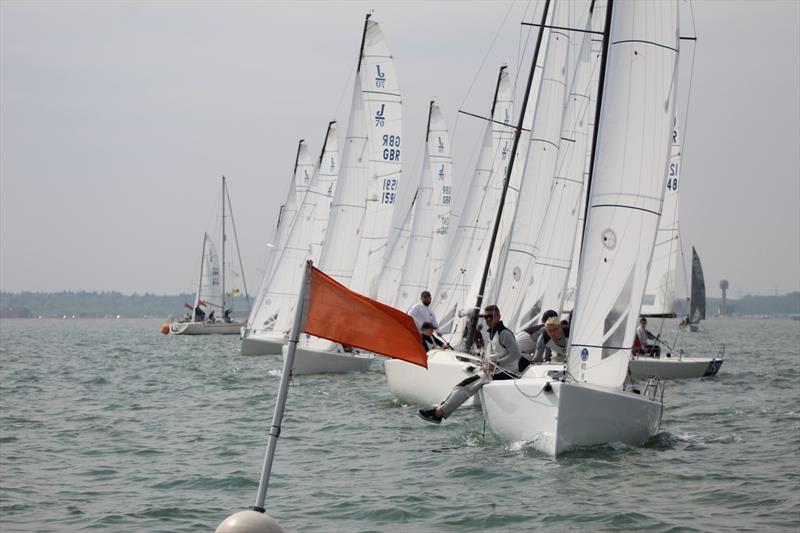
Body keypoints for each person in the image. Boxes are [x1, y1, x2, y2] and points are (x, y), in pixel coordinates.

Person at [417, 305, 520, 424]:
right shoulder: (493, 333)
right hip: (495, 371)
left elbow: (516, 354)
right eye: (485, 317)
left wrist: (498, 364)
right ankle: (440, 408)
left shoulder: (504, 333)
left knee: (466, 387)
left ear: (498, 316)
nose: (487, 320)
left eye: (491, 317)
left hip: (506, 373)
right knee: (462, 385)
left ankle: (439, 413)